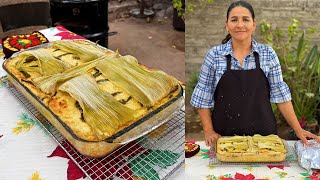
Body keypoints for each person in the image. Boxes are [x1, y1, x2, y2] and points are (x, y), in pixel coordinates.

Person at [190, 0, 319, 147]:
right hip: (224, 139)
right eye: (234, 20)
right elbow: (203, 96)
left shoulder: (268, 54)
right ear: (227, 25)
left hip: (264, 139)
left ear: (254, 24)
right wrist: (208, 131)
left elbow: (280, 95)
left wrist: (297, 129)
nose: (240, 25)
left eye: (245, 19)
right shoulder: (214, 55)